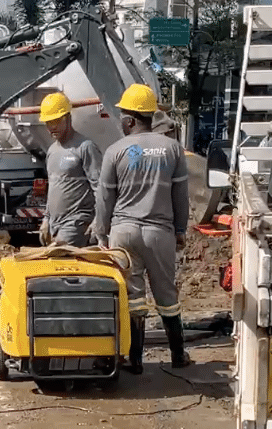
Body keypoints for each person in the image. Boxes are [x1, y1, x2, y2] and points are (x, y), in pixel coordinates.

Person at [93, 83, 192, 374]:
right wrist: (181, 230)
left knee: (134, 298)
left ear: (131, 120)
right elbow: (180, 197)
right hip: (159, 232)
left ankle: (135, 361)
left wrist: (101, 233)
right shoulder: (172, 149)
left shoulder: (115, 151)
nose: (120, 120)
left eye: (123, 115)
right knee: (167, 297)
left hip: (123, 232)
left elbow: (105, 197)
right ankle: (177, 355)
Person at [38, 92, 102, 247]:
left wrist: (99, 221)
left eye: (56, 121)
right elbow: (53, 187)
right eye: (48, 122)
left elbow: (100, 187)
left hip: (77, 221)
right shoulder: (52, 150)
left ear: (67, 118)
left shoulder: (85, 147)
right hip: (56, 224)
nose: (51, 127)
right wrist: (46, 219)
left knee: (58, 256)